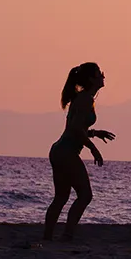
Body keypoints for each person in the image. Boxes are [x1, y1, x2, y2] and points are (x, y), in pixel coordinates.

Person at [45, 63, 115, 241]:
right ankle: (67, 236)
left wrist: (94, 133)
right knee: (85, 195)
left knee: (61, 197)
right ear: (92, 79)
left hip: (59, 151)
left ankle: (48, 238)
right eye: (100, 74)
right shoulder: (85, 100)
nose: (103, 77)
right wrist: (93, 149)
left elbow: (76, 129)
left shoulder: (84, 98)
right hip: (66, 153)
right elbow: (75, 129)